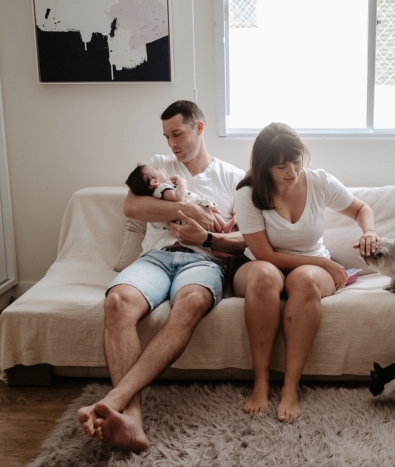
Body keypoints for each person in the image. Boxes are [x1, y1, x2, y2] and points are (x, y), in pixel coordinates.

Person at [77, 100, 246, 451]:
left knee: (192, 302)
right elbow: (133, 206)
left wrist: (207, 237)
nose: (172, 144)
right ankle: (131, 421)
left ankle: (116, 399)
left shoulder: (232, 177)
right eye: (167, 136)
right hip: (155, 258)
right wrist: (186, 206)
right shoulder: (158, 167)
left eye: (178, 134)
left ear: (199, 128)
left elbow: (246, 239)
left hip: (203, 262)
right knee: (118, 302)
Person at [233, 122, 380, 422]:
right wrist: (325, 263)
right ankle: (260, 381)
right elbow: (264, 254)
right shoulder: (248, 193)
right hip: (261, 265)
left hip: (311, 267)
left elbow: (361, 209)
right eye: (280, 165)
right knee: (265, 275)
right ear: (263, 167)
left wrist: (370, 232)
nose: (291, 170)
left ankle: (290, 386)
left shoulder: (319, 181)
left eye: (296, 160)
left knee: (306, 280)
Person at [125, 163, 237, 233]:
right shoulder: (162, 189)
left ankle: (220, 239)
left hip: (193, 208)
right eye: (155, 168)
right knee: (210, 212)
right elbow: (179, 198)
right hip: (192, 206)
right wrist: (181, 183)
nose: (159, 167)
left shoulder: (162, 190)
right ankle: (224, 226)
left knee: (210, 216)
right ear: (154, 182)